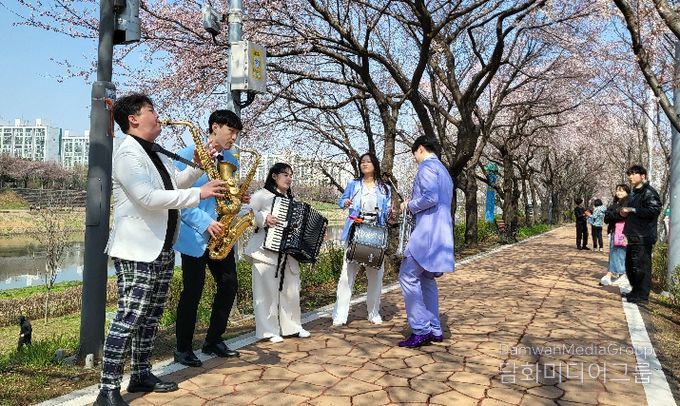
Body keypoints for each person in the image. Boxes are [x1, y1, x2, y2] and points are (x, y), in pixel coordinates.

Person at [95, 93, 227, 406]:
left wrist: (197, 168)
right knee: (129, 316)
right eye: (151, 110)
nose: (158, 115)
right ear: (133, 119)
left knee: (151, 316)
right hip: (136, 250)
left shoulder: (154, 151)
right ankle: (107, 389)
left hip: (162, 247)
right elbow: (148, 197)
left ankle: (141, 373)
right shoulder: (128, 153)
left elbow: (175, 184)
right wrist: (199, 193)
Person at [172, 110, 248, 368]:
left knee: (229, 285)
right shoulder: (185, 154)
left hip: (221, 234)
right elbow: (178, 198)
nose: (234, 138)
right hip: (194, 235)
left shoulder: (231, 159)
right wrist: (206, 223)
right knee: (192, 292)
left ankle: (213, 339)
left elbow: (224, 195)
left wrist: (238, 198)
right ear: (215, 127)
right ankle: (183, 348)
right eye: (231, 131)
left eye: (237, 133)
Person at [243, 163, 311, 343]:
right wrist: (264, 218)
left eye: (291, 175)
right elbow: (244, 211)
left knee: (291, 290)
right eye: (285, 174)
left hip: (288, 253)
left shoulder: (291, 199)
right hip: (264, 251)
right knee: (265, 293)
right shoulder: (261, 195)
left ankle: (293, 327)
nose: (289, 178)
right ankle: (268, 331)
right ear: (274, 176)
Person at [397, 136, 455, 348]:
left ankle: (421, 329)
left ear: (420, 149)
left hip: (426, 235)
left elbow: (430, 198)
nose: (414, 159)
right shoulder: (444, 172)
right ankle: (435, 329)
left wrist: (409, 205)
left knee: (407, 276)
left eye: (414, 154)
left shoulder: (426, 167)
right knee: (426, 279)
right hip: (441, 235)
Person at [332, 153, 392, 326]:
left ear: (375, 164)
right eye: (362, 162)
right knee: (347, 274)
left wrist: (390, 212)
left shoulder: (384, 188)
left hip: (375, 231)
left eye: (368, 161)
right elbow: (342, 200)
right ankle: (340, 314)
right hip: (355, 229)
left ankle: (373, 312)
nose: (364, 164)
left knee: (376, 274)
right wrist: (345, 202)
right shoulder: (354, 184)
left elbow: (387, 210)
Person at [620, 165, 662, 304]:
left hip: (643, 235)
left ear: (643, 176)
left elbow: (654, 210)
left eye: (633, 174)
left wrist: (632, 210)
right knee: (631, 265)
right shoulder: (635, 192)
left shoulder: (649, 192)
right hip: (633, 234)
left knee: (641, 266)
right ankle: (635, 292)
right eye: (629, 174)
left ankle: (642, 296)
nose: (630, 177)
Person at [601, 184, 631, 286]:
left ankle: (620, 275)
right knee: (614, 252)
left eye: (622, 191)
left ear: (627, 192)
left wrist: (612, 213)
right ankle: (614, 275)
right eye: (617, 190)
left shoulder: (628, 202)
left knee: (619, 252)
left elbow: (622, 216)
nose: (619, 192)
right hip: (614, 230)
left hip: (623, 231)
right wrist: (614, 213)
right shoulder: (615, 203)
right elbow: (606, 219)